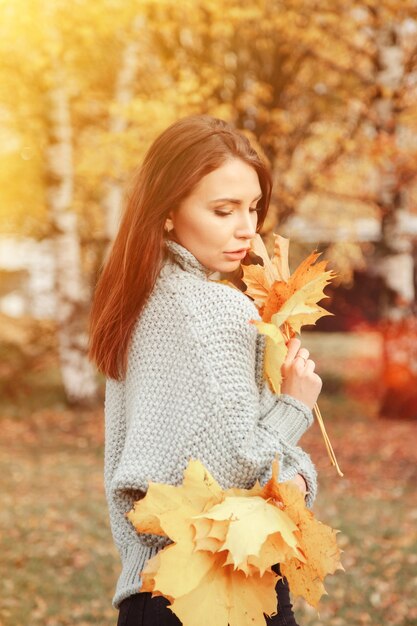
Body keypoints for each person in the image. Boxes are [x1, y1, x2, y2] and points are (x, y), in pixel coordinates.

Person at [88, 114, 322, 626]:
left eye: (253, 206)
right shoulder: (215, 310)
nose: (247, 227)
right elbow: (243, 469)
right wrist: (294, 408)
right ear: (168, 211)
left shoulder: (138, 301)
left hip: (153, 592)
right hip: (221, 591)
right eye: (223, 210)